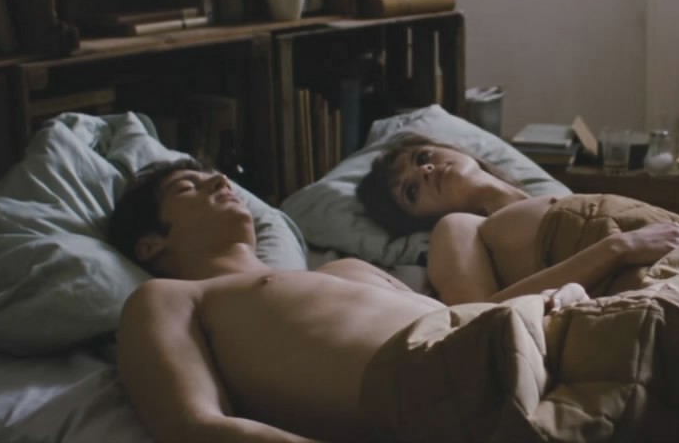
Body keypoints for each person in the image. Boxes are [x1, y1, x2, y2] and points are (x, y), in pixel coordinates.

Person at [109, 158, 589, 443]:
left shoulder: (345, 270)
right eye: (187, 186)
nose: (221, 183)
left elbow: (468, 317)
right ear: (151, 244)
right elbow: (195, 428)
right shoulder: (171, 298)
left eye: (218, 177)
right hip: (438, 389)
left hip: (521, 342)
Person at [357, 133, 679, 306]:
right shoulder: (457, 228)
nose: (426, 170)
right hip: (644, 284)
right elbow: (476, 321)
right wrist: (619, 248)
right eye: (411, 191)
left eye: (423, 157)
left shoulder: (551, 197)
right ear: (417, 219)